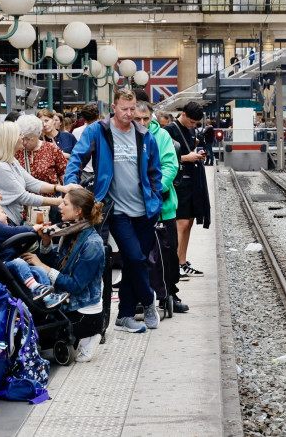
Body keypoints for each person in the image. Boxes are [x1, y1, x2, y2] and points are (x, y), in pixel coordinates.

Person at [64, 88, 164, 333]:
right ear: (114, 107)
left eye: (132, 109)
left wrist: (156, 197)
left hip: (145, 209)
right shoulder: (98, 131)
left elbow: (155, 170)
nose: (129, 113)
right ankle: (148, 300)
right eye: (124, 109)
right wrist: (70, 184)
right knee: (135, 257)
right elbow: (76, 157)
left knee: (134, 262)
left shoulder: (144, 134)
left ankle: (125, 315)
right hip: (116, 209)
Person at [22, 188, 106, 362]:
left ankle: (89, 335)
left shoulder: (92, 243)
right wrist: (46, 243)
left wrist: (43, 266)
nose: (59, 206)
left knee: (36, 335)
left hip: (82, 311)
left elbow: (75, 285)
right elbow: (57, 265)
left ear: (78, 211)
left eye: (65, 203)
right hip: (68, 302)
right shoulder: (69, 231)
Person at [134, 102, 186, 314]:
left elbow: (170, 166)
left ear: (151, 118)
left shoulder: (161, 136)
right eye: (138, 119)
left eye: (146, 119)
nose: (142, 123)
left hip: (162, 207)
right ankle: (141, 294)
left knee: (168, 253)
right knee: (139, 254)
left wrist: (153, 192)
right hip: (135, 207)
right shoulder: (125, 136)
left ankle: (170, 292)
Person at [0, 122, 78, 226]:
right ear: (10, 139)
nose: (22, 137)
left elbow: (31, 182)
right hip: (5, 221)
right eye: (19, 135)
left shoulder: (10, 161)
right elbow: (23, 197)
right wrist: (58, 202)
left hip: (12, 219)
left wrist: (61, 188)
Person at [0, 204, 63, 308]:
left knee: (40, 270)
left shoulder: (1, 230)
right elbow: (15, 231)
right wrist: (34, 228)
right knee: (19, 262)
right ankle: (35, 288)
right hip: (2, 265)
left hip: (13, 263)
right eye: (3, 212)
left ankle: (48, 296)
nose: (6, 215)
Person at [167, 102, 211, 281]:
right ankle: (174, 265)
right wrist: (186, 157)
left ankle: (182, 261)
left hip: (192, 180)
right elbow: (165, 157)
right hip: (179, 183)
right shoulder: (170, 130)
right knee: (181, 223)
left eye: (196, 123)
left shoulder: (191, 130)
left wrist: (197, 155)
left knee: (189, 222)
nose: (193, 126)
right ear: (183, 114)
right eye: (191, 122)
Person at [15, 114, 68, 197]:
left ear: (38, 134)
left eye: (29, 139)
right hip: (24, 201)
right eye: (22, 138)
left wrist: (65, 196)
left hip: (50, 201)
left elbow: (63, 175)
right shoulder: (17, 150)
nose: (25, 142)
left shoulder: (52, 149)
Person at [70, 104, 100, 183]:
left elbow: (75, 154)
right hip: (100, 171)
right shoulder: (104, 131)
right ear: (99, 116)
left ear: (83, 118)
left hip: (83, 171)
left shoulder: (76, 132)